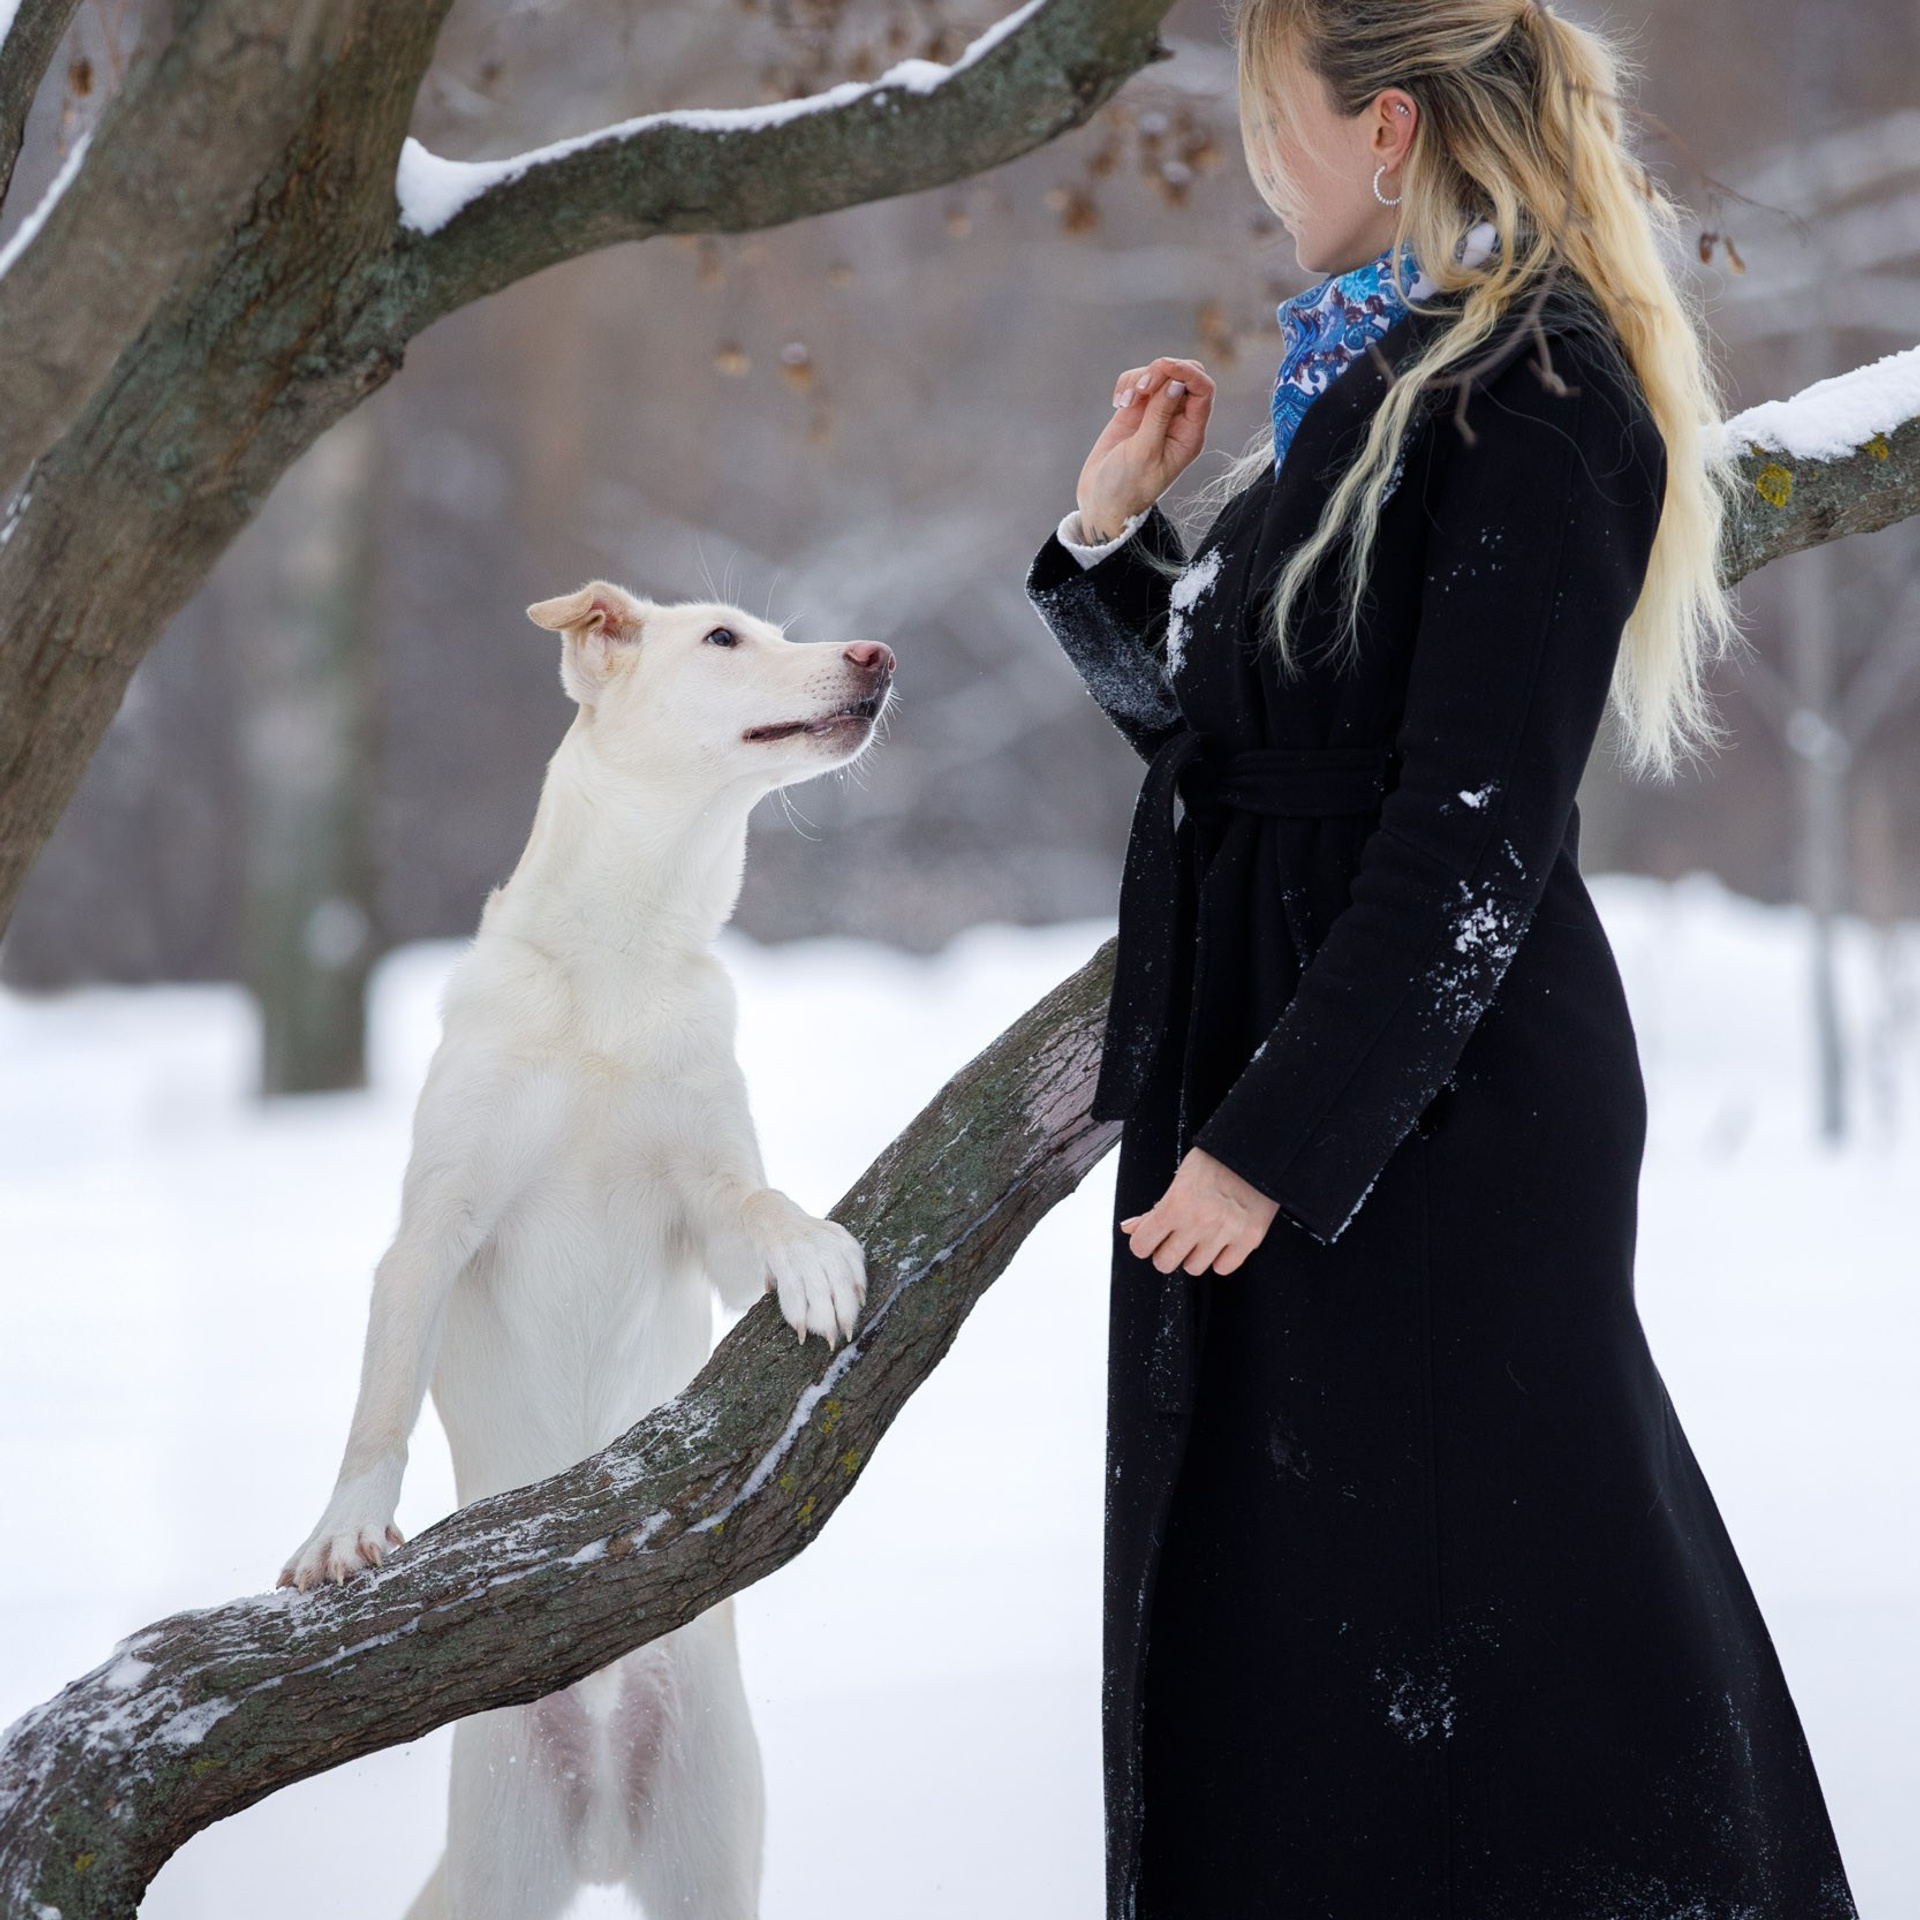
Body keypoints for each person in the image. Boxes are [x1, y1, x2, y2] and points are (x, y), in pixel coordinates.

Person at [1021, 3, 1862, 1916]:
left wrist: (1273, 1144)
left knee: (1489, 1643)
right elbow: (1261, 754)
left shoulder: (1537, 391)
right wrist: (1107, 543)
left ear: (1386, 128)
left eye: (1267, 123)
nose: (1251, 166)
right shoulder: (1367, 375)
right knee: (1315, 1637)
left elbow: (1473, 827)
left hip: (1433, 1127)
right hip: (1314, 1085)